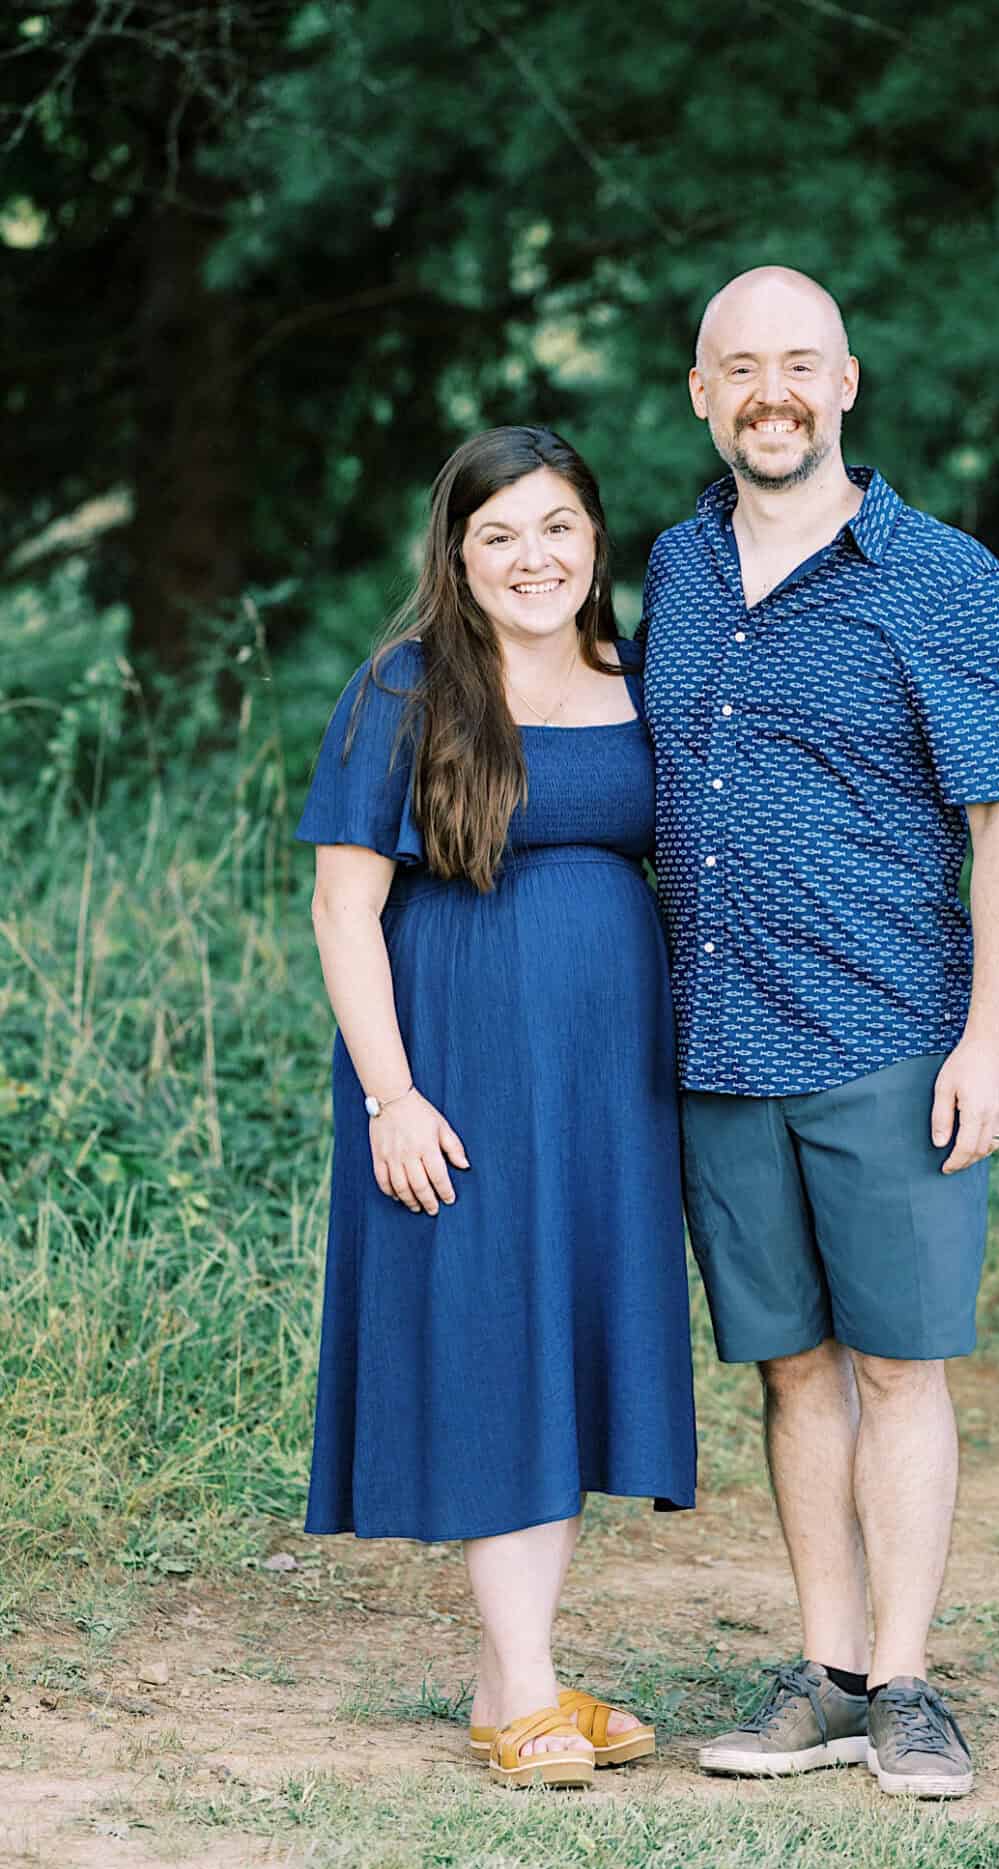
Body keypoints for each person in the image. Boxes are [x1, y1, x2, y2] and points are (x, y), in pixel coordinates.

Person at [643, 267, 999, 1800]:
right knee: (790, 1371)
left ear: (849, 382)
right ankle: (820, 1673)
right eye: (741, 367)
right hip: (716, 1045)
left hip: (889, 1030)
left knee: (900, 1366)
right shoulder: (671, 570)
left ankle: (912, 1682)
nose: (772, 392)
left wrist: (988, 1038)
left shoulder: (945, 577)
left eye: (799, 364)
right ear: (701, 393)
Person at [300, 426, 695, 1790]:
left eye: (557, 528)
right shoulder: (404, 688)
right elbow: (343, 905)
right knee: (493, 1342)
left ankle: (510, 1676)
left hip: (609, 1084)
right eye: (499, 536)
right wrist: (389, 1094)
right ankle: (526, 1686)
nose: (534, 558)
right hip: (460, 1068)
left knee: (566, 1347)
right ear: (457, 557)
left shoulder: (640, 675)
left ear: (597, 538)